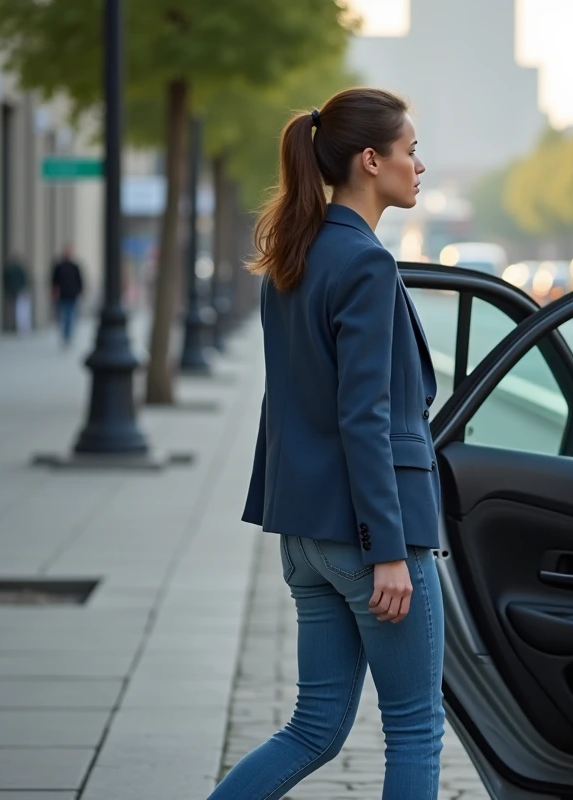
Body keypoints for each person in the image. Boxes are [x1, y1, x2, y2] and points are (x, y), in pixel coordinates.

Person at [210, 88, 440, 800]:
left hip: (305, 534)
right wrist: (388, 551)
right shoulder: (366, 263)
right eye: (409, 152)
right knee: (414, 728)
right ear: (371, 161)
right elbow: (362, 417)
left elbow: (289, 401)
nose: (419, 166)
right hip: (369, 538)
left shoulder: (295, 255)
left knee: (313, 728)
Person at [50, 245, 84, 347]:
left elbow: (80, 280)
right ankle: (65, 335)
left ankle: (68, 336)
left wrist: (79, 291)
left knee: (70, 316)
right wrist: (54, 292)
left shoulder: (75, 267)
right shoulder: (59, 266)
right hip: (62, 295)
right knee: (63, 316)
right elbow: (54, 281)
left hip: (72, 295)